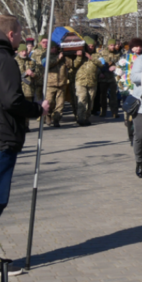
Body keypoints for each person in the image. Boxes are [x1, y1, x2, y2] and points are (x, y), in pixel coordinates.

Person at [0, 16, 49, 275]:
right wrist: (37, 109)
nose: (21, 39)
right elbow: (11, 100)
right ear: (11, 34)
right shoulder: (5, 59)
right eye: (20, 34)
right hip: (3, 137)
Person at [44, 42, 82, 127]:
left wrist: (77, 56)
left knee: (60, 104)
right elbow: (47, 65)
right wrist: (58, 58)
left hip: (62, 83)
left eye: (55, 47)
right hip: (50, 84)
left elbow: (72, 64)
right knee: (49, 102)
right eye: (52, 47)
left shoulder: (63, 56)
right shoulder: (45, 55)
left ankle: (56, 120)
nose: (54, 49)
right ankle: (48, 115)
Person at [128, 38, 142, 178]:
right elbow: (134, 77)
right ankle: (139, 162)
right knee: (140, 136)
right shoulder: (141, 59)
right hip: (141, 105)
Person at [74, 37, 100, 126]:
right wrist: (79, 56)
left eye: (92, 46)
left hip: (92, 82)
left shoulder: (97, 55)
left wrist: (91, 58)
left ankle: (87, 117)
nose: (90, 47)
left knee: (90, 101)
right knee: (82, 98)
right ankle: (80, 118)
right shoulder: (80, 55)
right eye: (89, 46)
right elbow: (74, 65)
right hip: (81, 81)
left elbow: (102, 64)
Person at [96, 38, 121, 118]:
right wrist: (100, 73)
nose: (113, 47)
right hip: (103, 77)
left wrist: (116, 67)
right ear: (108, 45)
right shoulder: (102, 53)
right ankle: (103, 111)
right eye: (111, 45)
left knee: (113, 96)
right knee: (102, 96)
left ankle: (114, 112)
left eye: (114, 45)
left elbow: (121, 64)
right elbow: (98, 64)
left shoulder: (118, 54)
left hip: (113, 78)